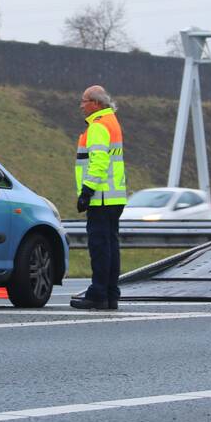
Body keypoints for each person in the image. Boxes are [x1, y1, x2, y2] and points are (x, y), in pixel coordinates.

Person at [71, 85, 127, 310]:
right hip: (114, 197)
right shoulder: (112, 122)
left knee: (99, 248)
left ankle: (98, 294)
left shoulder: (98, 126)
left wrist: (86, 191)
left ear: (95, 103)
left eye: (84, 101)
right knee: (110, 247)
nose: (81, 105)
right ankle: (111, 293)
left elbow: (99, 162)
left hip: (101, 197)